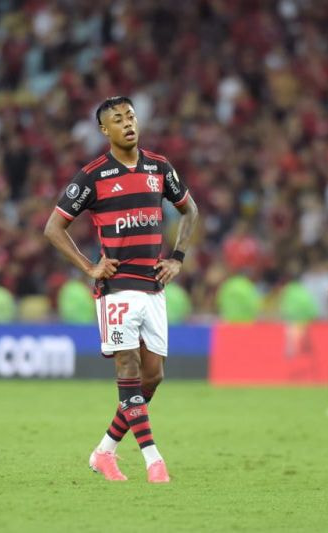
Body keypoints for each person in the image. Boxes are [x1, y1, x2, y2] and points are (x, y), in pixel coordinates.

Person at [44, 96, 198, 483]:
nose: (128, 123)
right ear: (104, 130)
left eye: (131, 116)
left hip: (153, 285)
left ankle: (104, 452)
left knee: (153, 377)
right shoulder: (92, 176)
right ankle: (154, 460)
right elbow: (53, 228)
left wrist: (177, 257)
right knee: (127, 368)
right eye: (118, 119)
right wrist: (89, 267)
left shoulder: (159, 167)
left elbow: (190, 210)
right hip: (116, 288)